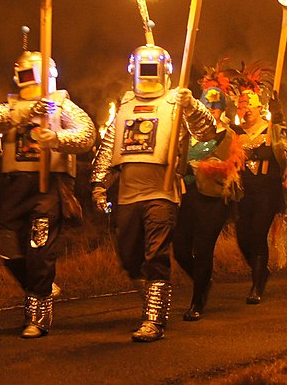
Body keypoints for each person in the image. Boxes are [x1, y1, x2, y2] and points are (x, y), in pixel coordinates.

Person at [90, 43, 215, 342]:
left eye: (153, 69)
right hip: (128, 194)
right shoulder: (125, 105)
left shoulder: (176, 102)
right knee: (129, 255)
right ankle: (149, 301)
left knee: (156, 254)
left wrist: (193, 106)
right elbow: (109, 146)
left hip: (161, 193)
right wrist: (98, 183)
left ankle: (155, 320)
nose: (148, 76)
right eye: (142, 70)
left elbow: (207, 132)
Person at [0, 38, 96, 338]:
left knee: (40, 250)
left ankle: (37, 317)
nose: (28, 81)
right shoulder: (8, 108)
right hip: (16, 187)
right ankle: (41, 287)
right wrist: (26, 111)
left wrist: (56, 139)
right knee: (8, 248)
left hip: (49, 188)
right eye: (24, 74)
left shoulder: (62, 106)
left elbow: (87, 135)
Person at [173, 83, 244, 321]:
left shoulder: (228, 134)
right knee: (180, 250)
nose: (211, 110)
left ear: (222, 109)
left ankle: (197, 301)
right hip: (185, 196)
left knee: (202, 248)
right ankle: (203, 282)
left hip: (212, 199)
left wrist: (200, 167)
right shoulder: (183, 131)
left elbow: (226, 165)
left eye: (215, 107)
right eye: (207, 106)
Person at [232, 85, 287, 305]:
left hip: (267, 190)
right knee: (243, 237)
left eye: (251, 106)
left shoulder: (272, 129)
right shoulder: (234, 132)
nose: (247, 110)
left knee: (258, 233)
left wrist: (279, 117)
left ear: (259, 108)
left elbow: (286, 145)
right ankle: (261, 270)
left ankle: (257, 284)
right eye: (242, 106)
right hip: (243, 191)